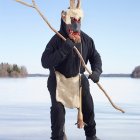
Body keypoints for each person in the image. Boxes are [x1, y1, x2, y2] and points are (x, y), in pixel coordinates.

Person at [41, 1, 102, 140]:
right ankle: (58, 136)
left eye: (78, 21)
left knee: (88, 105)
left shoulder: (87, 40)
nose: (74, 25)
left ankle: (91, 135)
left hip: (78, 80)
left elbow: (96, 57)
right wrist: (65, 48)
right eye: (71, 21)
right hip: (58, 80)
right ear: (65, 19)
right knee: (57, 112)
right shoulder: (56, 40)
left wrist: (97, 71)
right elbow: (45, 61)